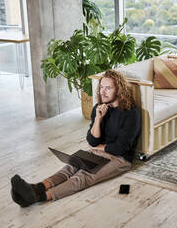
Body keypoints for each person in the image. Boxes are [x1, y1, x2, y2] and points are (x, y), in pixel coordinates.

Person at [10, 70, 141, 207]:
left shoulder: (131, 113)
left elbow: (121, 148)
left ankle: (40, 197)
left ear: (119, 90)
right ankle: (36, 188)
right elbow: (92, 141)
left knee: (84, 176)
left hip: (119, 159)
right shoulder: (99, 108)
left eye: (108, 88)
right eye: (101, 87)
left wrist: (100, 147)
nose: (103, 92)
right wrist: (98, 118)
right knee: (69, 168)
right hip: (96, 152)